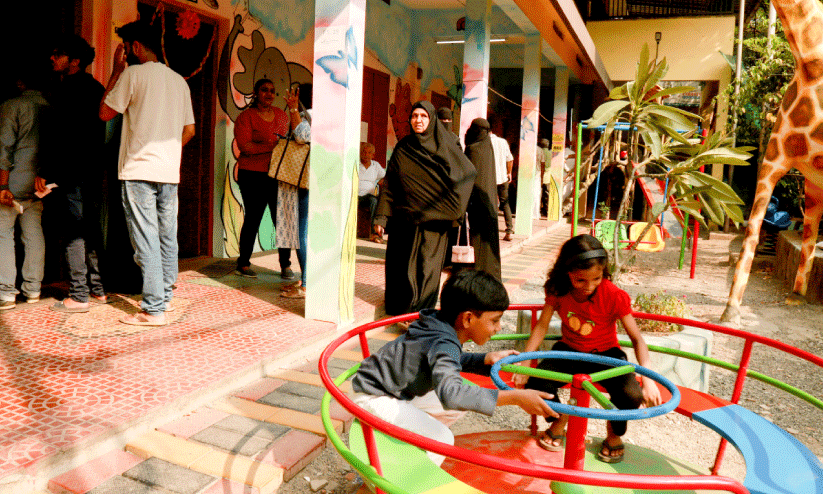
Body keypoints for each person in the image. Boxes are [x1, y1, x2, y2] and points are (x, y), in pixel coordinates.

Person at [351, 269, 557, 465]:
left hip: (389, 387)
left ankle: (408, 441)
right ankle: (403, 478)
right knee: (442, 438)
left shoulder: (440, 324)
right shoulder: (444, 342)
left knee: (454, 410)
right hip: (373, 396)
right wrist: (516, 398)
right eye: (494, 320)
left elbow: (445, 360)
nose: (499, 327)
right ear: (467, 318)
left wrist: (485, 359)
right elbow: (453, 394)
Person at [513, 234, 662, 463]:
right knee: (536, 383)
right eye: (580, 280)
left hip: (606, 355)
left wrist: (648, 379)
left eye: (596, 278)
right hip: (570, 350)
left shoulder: (613, 295)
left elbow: (637, 339)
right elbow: (542, 325)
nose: (589, 287)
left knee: (631, 395)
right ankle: (562, 418)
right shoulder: (558, 290)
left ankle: (613, 433)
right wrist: (524, 364)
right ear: (566, 272)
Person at [99, 19, 195, 326]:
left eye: (127, 47)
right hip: (169, 171)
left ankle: (153, 308)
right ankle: (164, 296)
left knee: (145, 238)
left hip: (138, 169)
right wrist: (169, 153)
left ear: (135, 47)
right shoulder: (179, 81)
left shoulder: (132, 74)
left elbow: (104, 113)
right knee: (167, 235)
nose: (127, 52)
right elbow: (189, 130)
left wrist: (116, 70)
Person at [373, 101, 476, 317]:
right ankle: (402, 312)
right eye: (414, 116)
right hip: (404, 221)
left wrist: (453, 209)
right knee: (401, 268)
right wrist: (381, 218)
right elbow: (390, 184)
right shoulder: (404, 147)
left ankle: (421, 313)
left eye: (423, 116)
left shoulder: (447, 147)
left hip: (434, 224)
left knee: (427, 269)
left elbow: (467, 174)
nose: (418, 120)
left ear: (432, 120)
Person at [40, 34, 108, 313]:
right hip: (92, 170)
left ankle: (78, 295)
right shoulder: (96, 88)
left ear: (75, 61)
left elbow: (63, 137)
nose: (52, 58)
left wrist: (48, 173)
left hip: (71, 172)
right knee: (90, 229)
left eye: (59, 54)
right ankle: (98, 290)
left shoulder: (67, 90)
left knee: (73, 233)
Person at [233, 78, 294, 279]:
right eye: (264, 90)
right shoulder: (246, 117)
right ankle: (243, 263)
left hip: (278, 174)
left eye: (272, 91)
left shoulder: (282, 115)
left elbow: (290, 141)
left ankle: (286, 265)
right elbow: (246, 147)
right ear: (256, 92)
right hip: (252, 175)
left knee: (282, 221)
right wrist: (274, 146)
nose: (268, 94)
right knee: (253, 218)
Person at [0, 63, 49, 311]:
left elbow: (4, 148)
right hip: (39, 183)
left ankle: (7, 293)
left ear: (21, 83)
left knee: (3, 234)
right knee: (33, 234)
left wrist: (2, 184)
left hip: (14, 182)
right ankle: (33, 290)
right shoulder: (50, 107)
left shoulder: (12, 106)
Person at [278, 83, 311, 299]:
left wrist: (292, 109)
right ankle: (306, 278)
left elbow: (302, 136)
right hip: (308, 180)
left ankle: (308, 285)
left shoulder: (309, 116)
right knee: (302, 232)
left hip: (304, 181)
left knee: (301, 233)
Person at [462, 118, 501, 281]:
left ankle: (480, 272)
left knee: (478, 238)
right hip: (489, 200)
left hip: (476, 202)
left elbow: (466, 176)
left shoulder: (473, 149)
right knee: (490, 238)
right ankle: (492, 274)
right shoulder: (488, 148)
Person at [357, 142, 386, 244]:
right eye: (364, 152)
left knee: (375, 200)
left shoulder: (375, 165)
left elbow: (385, 176)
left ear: (373, 155)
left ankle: (375, 233)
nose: (366, 154)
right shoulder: (356, 163)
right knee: (373, 199)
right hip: (355, 196)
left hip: (368, 197)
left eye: (369, 153)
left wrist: (380, 182)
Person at [490, 122, 514, 241]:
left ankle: (491, 231)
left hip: (490, 179)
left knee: (491, 204)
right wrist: (509, 173)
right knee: (505, 204)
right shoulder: (503, 142)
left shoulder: (484, 142)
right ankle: (509, 230)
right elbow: (510, 159)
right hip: (503, 178)